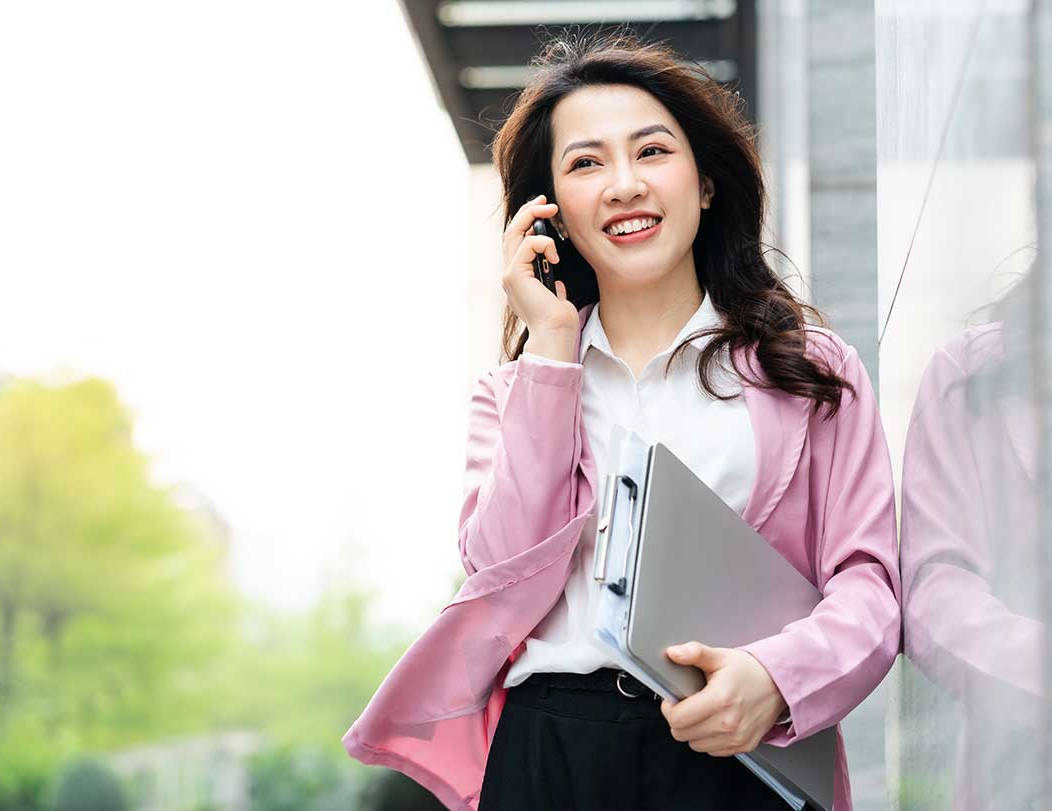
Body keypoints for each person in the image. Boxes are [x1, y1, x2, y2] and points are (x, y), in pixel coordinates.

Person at [343, 30, 900, 811]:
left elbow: (871, 585)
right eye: (585, 163)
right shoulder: (512, 393)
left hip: (731, 748)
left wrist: (777, 679)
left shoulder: (808, 370)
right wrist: (552, 350)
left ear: (705, 184)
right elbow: (500, 571)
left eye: (652, 152)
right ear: (554, 217)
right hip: (548, 752)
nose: (624, 183)